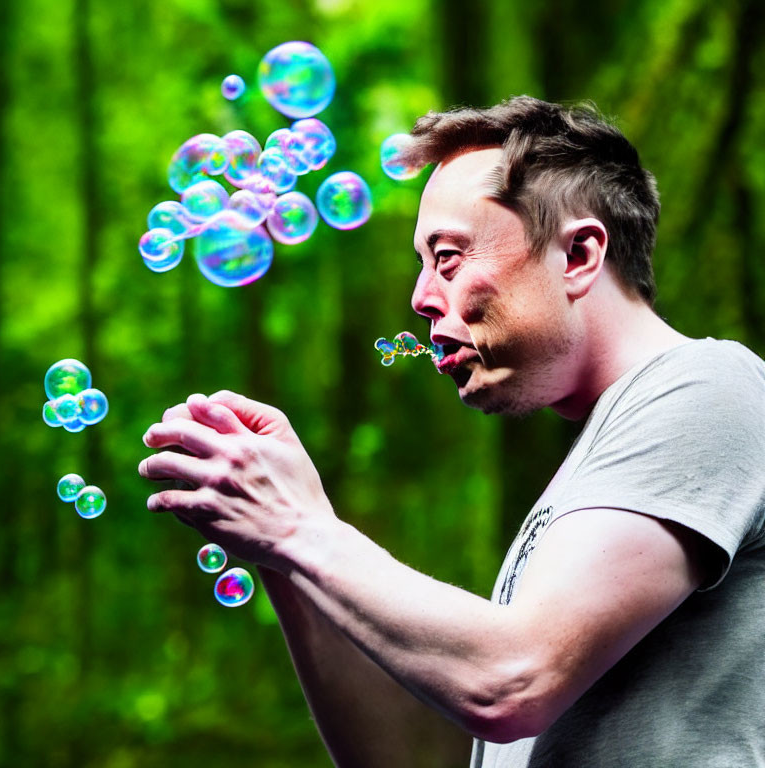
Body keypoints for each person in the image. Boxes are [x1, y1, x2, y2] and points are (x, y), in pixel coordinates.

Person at [138, 96, 765, 767]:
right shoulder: (593, 473)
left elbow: (511, 680)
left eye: (447, 256)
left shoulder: (712, 384)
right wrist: (284, 552)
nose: (419, 297)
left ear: (579, 254)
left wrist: (299, 528)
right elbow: (402, 756)